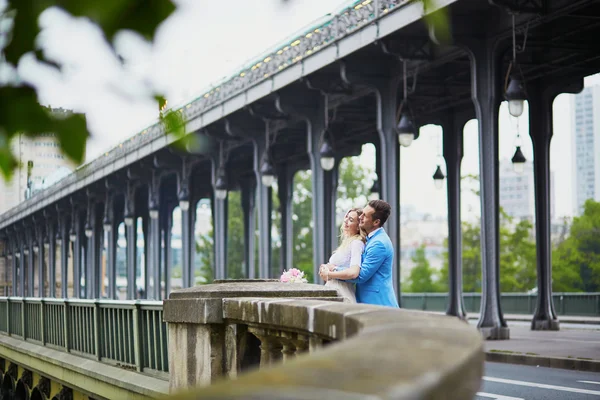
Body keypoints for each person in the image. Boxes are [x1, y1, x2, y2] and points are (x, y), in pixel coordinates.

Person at [320, 199, 399, 308]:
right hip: (367, 302)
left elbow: (361, 276)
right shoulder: (370, 239)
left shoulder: (379, 244)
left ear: (376, 222)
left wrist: (333, 269)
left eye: (365, 216)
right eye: (361, 214)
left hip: (378, 303)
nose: (360, 217)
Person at [321, 208, 367, 303]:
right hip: (333, 289)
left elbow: (354, 272)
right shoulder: (347, 242)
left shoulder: (356, 243)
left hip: (342, 293)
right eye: (346, 217)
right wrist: (325, 269)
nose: (346, 221)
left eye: (351, 220)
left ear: (358, 226)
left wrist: (330, 273)